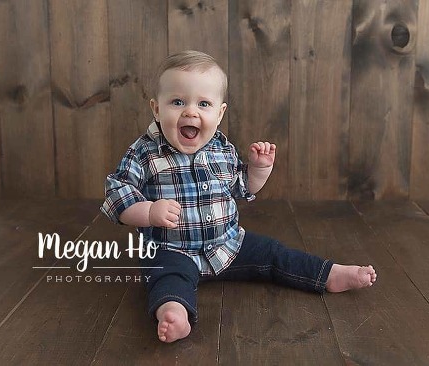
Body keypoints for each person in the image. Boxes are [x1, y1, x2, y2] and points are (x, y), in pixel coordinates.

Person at [102, 50, 377, 342]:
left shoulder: (222, 149)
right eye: (178, 102)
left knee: (274, 254)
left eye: (203, 103)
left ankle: (328, 274)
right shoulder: (144, 152)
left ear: (219, 113)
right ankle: (175, 313)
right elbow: (117, 192)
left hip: (229, 245)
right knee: (165, 278)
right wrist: (147, 212)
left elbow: (243, 186)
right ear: (157, 110)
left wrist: (259, 170)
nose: (190, 112)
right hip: (171, 249)